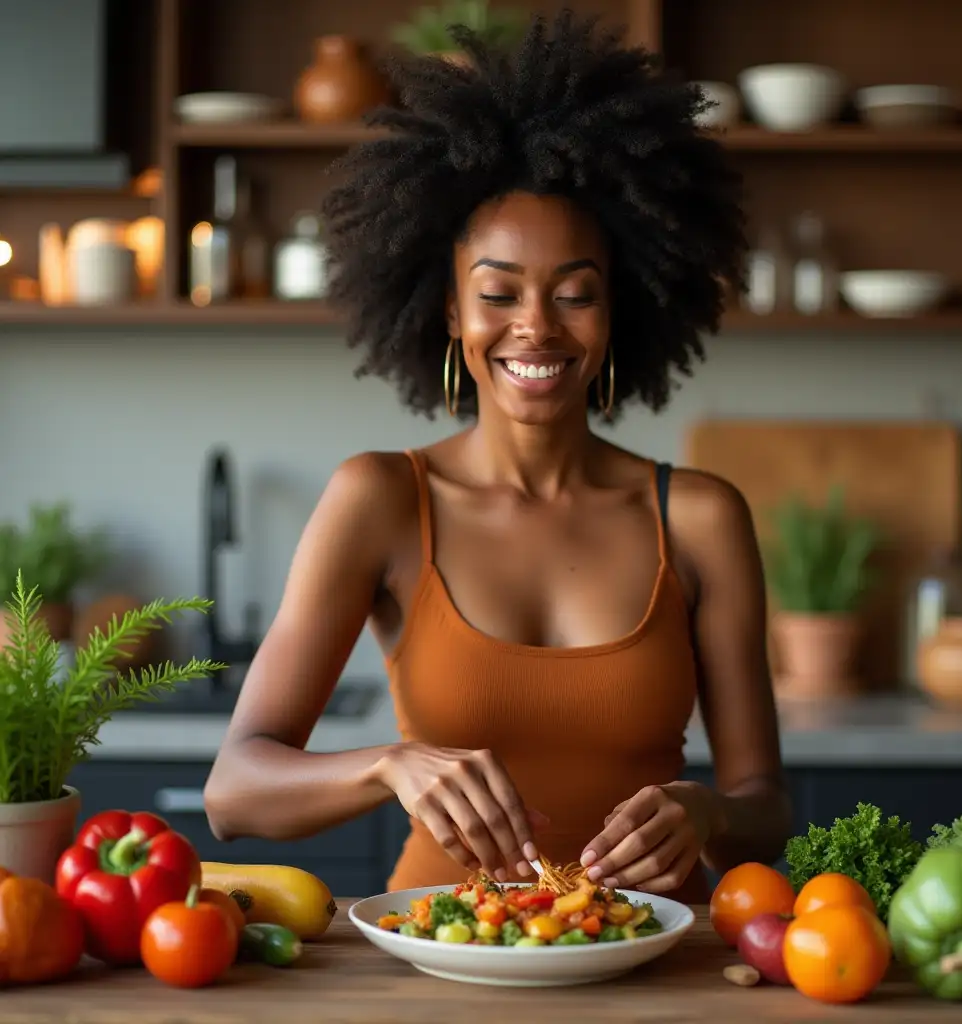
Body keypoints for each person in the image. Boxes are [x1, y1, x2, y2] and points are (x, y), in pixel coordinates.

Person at [204, 10, 791, 904]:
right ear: (448, 311)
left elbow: (766, 809)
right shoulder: (382, 499)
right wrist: (389, 767)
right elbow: (234, 794)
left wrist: (708, 814)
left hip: (644, 957)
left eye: (576, 294)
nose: (537, 327)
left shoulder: (701, 517)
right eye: (498, 292)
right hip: (440, 951)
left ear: (617, 311)